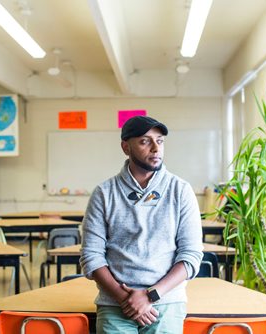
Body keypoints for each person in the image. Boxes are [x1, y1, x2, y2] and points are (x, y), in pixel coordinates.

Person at [80, 115, 204, 333]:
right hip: (115, 303)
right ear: (125, 147)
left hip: (165, 301)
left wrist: (151, 295)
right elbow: (91, 256)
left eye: (160, 141)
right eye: (145, 141)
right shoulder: (104, 193)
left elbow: (191, 255)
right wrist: (126, 299)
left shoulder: (181, 190)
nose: (156, 148)